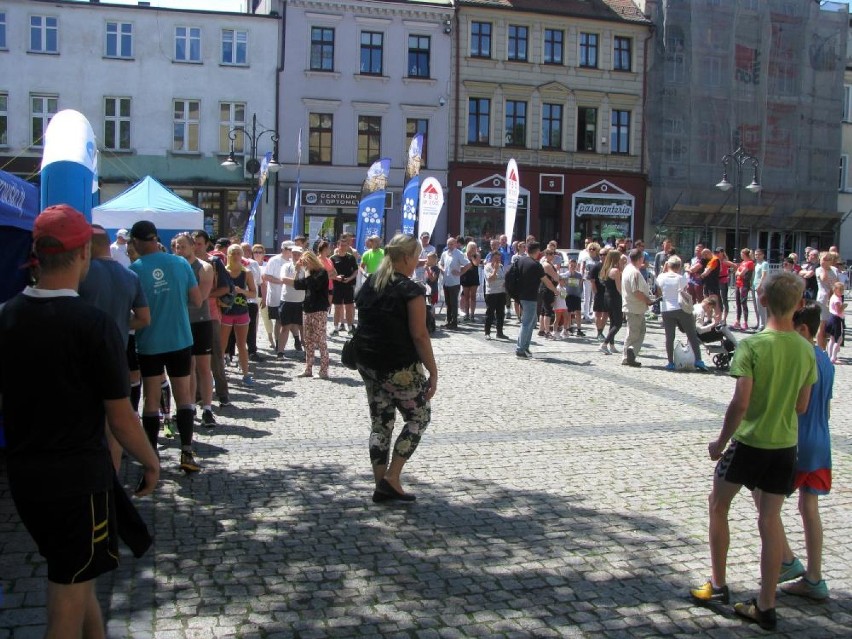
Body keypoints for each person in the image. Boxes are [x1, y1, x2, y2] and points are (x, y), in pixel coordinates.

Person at [1, 205, 160, 637]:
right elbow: (121, 416)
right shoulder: (92, 324)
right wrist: (151, 461)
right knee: (67, 595)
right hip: (77, 479)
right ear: (84, 256)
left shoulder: (6, 315)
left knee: (75, 572)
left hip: (26, 474)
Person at [690, 271, 816, 632]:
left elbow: (740, 403)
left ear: (762, 301)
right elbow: (802, 405)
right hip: (784, 447)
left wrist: (719, 442)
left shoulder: (752, 346)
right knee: (770, 520)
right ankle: (766, 604)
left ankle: (717, 585)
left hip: (749, 443)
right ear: (798, 305)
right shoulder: (807, 349)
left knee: (718, 505)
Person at [354, 234, 438, 503]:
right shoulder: (410, 289)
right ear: (406, 258)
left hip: (368, 362)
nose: (418, 261)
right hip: (398, 366)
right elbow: (420, 335)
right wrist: (433, 371)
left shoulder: (370, 283)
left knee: (381, 423)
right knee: (419, 417)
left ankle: (382, 485)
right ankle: (392, 478)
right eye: (417, 256)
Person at [130, 220, 203, 474]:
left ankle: (152, 457)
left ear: (136, 242)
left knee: (151, 399)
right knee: (184, 395)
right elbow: (196, 300)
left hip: (149, 342)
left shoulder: (134, 269)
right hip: (180, 338)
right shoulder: (181, 263)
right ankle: (186, 451)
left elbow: (133, 311)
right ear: (156, 238)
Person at [774, 303, 833, 601]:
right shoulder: (826, 359)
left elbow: (797, 403)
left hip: (799, 439)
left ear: (804, 329)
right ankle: (814, 577)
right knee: (809, 508)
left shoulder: (801, 357)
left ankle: (785, 560)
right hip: (822, 441)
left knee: (764, 496)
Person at [79, 224, 151, 467]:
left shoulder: (81, 273)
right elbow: (143, 318)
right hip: (116, 353)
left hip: (82, 358)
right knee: (115, 423)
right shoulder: (129, 276)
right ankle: (112, 479)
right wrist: (118, 323)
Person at [174, 233, 216, 428]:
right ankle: (188, 407)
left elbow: (201, 297)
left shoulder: (205, 267)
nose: (179, 251)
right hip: (180, 322)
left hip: (200, 321)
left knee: (203, 367)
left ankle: (207, 408)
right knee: (186, 367)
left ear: (193, 247)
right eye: (176, 247)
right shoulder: (173, 267)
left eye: (182, 246)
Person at [655, 255, 706, 371]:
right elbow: (684, 292)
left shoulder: (661, 277)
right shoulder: (681, 278)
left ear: (668, 265)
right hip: (680, 308)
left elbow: (659, 292)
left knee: (669, 336)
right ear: (679, 266)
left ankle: (670, 362)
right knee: (691, 333)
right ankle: (698, 360)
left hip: (666, 309)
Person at [289, 250, 331, 378]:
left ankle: (324, 370)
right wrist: (297, 271)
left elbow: (314, 285)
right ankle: (308, 369)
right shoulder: (309, 274)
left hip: (319, 309)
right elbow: (297, 285)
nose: (305, 265)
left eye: (307, 262)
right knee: (308, 340)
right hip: (307, 309)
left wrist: (306, 272)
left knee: (321, 340)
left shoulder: (322, 273)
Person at [220, 244, 257, 386]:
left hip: (242, 311)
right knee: (222, 345)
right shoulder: (223, 271)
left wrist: (242, 291)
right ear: (228, 255)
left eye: (238, 253)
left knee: (242, 344)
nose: (235, 256)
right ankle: (220, 374)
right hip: (226, 312)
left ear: (242, 255)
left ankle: (246, 374)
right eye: (233, 253)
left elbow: (254, 293)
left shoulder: (246, 272)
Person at [515, 241, 558, 358]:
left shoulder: (520, 261)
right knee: (527, 323)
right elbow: (546, 281)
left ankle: (525, 347)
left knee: (532, 321)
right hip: (530, 296)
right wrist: (555, 290)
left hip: (522, 295)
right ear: (537, 251)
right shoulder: (536, 265)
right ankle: (520, 349)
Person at [621, 248, 655, 367]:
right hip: (634, 306)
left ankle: (630, 353)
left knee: (638, 331)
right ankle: (629, 353)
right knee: (634, 333)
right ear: (640, 259)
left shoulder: (628, 269)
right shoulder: (634, 272)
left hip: (634, 306)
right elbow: (636, 291)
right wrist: (648, 300)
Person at [438, 236, 471, 329]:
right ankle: (448, 320)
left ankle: (454, 322)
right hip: (446, 281)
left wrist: (460, 272)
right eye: (448, 244)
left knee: (453, 303)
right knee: (448, 303)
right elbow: (440, 263)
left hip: (454, 282)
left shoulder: (459, 253)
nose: (450, 246)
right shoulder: (445, 253)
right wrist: (441, 268)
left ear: (456, 244)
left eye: (452, 244)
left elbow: (468, 264)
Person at [598, 250, 624, 355]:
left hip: (606, 296)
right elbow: (619, 288)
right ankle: (604, 344)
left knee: (613, 322)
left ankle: (612, 345)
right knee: (618, 323)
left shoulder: (605, 269)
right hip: (615, 297)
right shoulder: (615, 271)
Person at [330, 238, 358, 334]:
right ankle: (336, 328)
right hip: (337, 286)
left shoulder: (351, 258)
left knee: (349, 307)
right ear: (338, 246)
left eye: (345, 245)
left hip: (348, 285)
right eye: (341, 245)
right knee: (337, 308)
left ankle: (350, 328)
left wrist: (350, 278)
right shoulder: (332, 258)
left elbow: (355, 271)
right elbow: (329, 274)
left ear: (348, 247)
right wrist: (336, 277)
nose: (343, 247)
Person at [814, 251, 839, 350]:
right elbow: (824, 279)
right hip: (823, 299)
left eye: (827, 259)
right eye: (823, 259)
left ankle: (831, 348)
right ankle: (821, 349)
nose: (825, 261)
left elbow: (837, 283)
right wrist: (824, 267)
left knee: (831, 325)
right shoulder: (819, 270)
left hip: (833, 298)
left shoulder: (835, 270)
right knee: (822, 324)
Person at [483, 249, 507, 340]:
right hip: (492, 293)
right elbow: (490, 279)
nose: (498, 260)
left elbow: (503, 278)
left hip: (501, 292)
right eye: (496, 258)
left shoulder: (501, 266)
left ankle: (499, 332)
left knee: (501, 313)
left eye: (499, 258)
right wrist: (495, 270)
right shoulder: (487, 267)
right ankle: (487, 332)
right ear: (491, 258)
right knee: (490, 313)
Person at [732, 248, 754, 331]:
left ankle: (745, 322)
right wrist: (738, 273)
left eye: (741, 254)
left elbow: (741, 273)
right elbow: (737, 271)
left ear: (745, 254)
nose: (740, 255)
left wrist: (738, 273)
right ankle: (737, 321)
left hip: (744, 285)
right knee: (738, 303)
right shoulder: (742, 263)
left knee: (743, 303)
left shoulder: (750, 263)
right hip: (738, 284)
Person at [460, 241, 481, 322]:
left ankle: (472, 314)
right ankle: (466, 314)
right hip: (465, 276)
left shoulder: (477, 255)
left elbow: (476, 264)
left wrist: (472, 257)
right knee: (466, 297)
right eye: (471, 247)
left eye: (474, 247)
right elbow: (461, 265)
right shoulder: (463, 255)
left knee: (473, 297)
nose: (473, 249)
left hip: (474, 277)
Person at [825, 280, 846, 363]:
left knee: (832, 338)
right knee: (839, 339)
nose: (842, 292)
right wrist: (844, 306)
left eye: (842, 290)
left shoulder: (833, 296)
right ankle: (833, 358)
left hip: (832, 318)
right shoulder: (837, 299)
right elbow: (839, 311)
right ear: (835, 289)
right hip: (837, 319)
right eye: (840, 290)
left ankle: (830, 356)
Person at [752, 248, 769, 331]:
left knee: (762, 307)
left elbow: (764, 275)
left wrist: (759, 285)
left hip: (761, 287)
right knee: (757, 307)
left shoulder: (764, 263)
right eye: (755, 255)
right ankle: (760, 323)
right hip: (755, 286)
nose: (757, 256)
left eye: (758, 254)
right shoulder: (757, 264)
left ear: (763, 255)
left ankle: (763, 325)